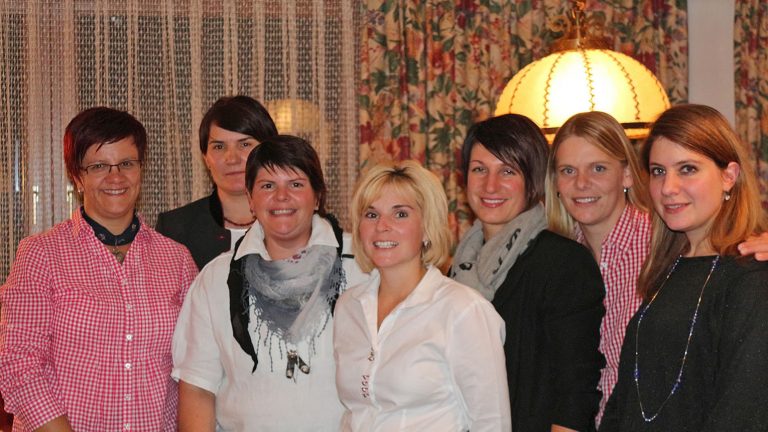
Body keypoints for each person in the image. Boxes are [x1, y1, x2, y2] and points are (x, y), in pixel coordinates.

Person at [546, 111, 768, 425]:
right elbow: (628, 397)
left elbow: (743, 411)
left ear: (729, 176)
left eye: (687, 169)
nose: (668, 187)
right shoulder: (667, 267)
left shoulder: (751, 275)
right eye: (658, 171)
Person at [0, 107, 198, 431]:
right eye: (99, 166)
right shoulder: (41, 254)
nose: (115, 177)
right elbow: (19, 365)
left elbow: (195, 367)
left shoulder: (176, 259)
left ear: (141, 169)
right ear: (77, 177)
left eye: (127, 163)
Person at [172, 135, 368, 431]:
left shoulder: (363, 266)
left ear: (317, 196)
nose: (281, 196)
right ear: (250, 199)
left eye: (296, 184)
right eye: (267, 186)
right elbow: (198, 387)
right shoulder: (216, 279)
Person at [450, 114, 605, 432]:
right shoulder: (458, 268)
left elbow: (576, 391)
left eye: (507, 171)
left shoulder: (564, 262)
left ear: (533, 180)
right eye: (479, 169)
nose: (490, 185)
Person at [334, 161, 511, 431]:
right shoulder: (348, 306)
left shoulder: (464, 310)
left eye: (400, 214)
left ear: (427, 227)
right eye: (371, 214)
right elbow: (355, 414)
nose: (382, 226)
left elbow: (491, 423)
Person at [156, 95, 277, 269]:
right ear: (206, 158)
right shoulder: (175, 228)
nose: (232, 159)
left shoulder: (296, 220)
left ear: (270, 151)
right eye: (219, 147)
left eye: (244, 144)